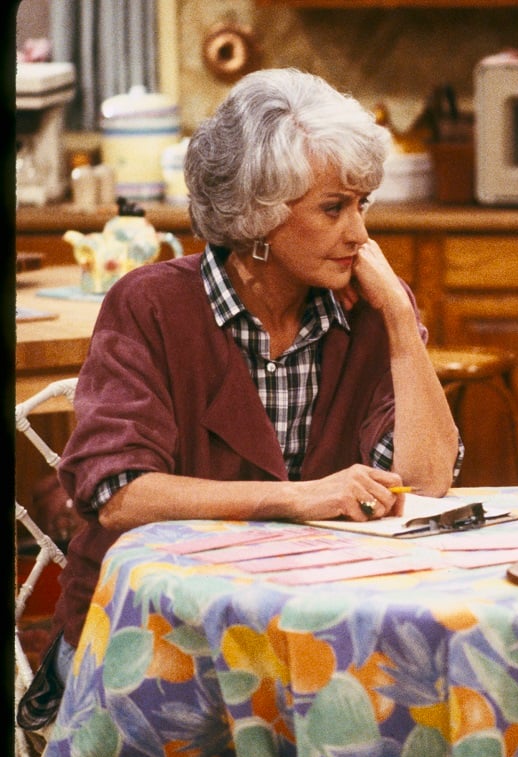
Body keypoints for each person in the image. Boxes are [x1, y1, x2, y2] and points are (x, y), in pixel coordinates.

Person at [35, 68, 462, 711]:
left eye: (361, 205)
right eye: (333, 208)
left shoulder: (370, 309)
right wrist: (300, 498)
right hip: (148, 632)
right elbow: (119, 494)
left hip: (307, 634)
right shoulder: (150, 305)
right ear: (257, 213)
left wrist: (402, 322)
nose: (360, 234)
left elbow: (424, 480)